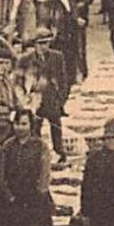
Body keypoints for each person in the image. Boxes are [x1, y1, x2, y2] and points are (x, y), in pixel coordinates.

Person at [1, 107, 54, 226]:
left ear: (31, 125)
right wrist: (9, 196)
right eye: (17, 124)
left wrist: (39, 194)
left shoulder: (40, 146)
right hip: (14, 198)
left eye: (24, 124)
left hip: (35, 199)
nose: (20, 128)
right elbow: (2, 174)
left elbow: (45, 173)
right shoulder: (8, 146)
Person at [18, 28, 70, 169]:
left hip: (52, 100)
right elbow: (19, 81)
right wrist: (26, 99)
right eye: (40, 43)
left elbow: (63, 80)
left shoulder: (57, 57)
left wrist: (61, 99)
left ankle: (60, 153)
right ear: (34, 44)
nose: (43, 47)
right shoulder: (25, 59)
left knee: (56, 128)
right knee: (35, 129)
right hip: (35, 101)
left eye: (46, 43)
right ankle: (37, 156)